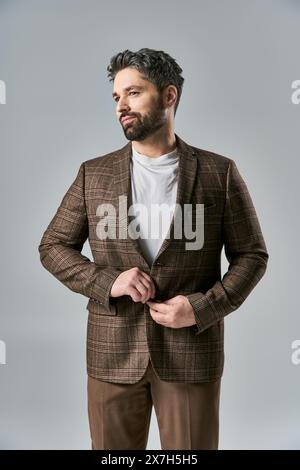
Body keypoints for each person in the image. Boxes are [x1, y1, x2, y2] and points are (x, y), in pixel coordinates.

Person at [38, 48, 269, 450]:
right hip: (112, 354)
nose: (121, 106)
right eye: (116, 97)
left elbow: (252, 256)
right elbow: (53, 246)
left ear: (168, 96)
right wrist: (109, 281)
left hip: (191, 354)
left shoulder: (219, 172)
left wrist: (200, 308)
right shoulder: (94, 173)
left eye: (133, 93)